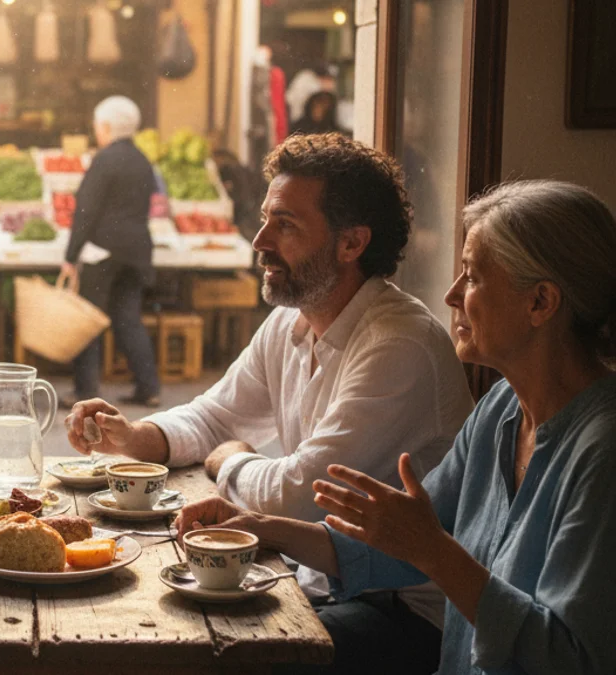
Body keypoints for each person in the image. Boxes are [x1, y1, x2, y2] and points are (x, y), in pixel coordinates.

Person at [65, 133, 475, 671]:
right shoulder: (292, 319)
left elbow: (298, 496)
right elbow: (216, 414)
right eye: (265, 219)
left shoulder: (399, 343)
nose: (259, 240)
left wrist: (229, 459)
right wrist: (137, 437)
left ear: (351, 244)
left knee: (203, 652)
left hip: (404, 614)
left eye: (286, 225)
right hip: (321, 580)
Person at [176, 180, 616, 675]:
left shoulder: (601, 452)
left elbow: (571, 660)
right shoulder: (501, 411)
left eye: (471, 278)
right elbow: (397, 543)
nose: (451, 295)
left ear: (540, 303)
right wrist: (264, 529)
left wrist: (432, 550)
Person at [58, 95, 160, 409]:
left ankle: (85, 390)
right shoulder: (143, 160)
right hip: (137, 250)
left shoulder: (104, 160)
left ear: (105, 127)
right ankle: (148, 387)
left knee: (88, 320)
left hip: (103, 251)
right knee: (128, 318)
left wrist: (71, 255)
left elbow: (85, 211)